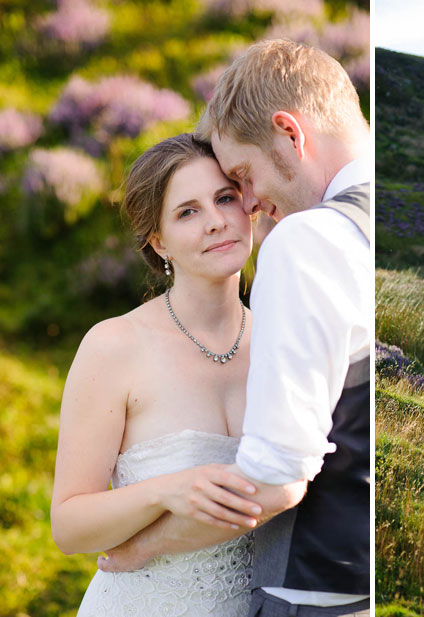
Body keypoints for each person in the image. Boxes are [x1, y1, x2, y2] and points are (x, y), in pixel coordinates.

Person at [98, 39, 371, 617]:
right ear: (158, 241)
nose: (246, 206)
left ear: (291, 134)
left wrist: (140, 549)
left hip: (310, 590)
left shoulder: (307, 240)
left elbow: (278, 475)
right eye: (190, 209)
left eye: (237, 182)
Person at [51, 133, 280, 616]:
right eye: (187, 212)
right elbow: (68, 526)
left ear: (251, 207)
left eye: (225, 198)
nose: (216, 222)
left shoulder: (282, 341)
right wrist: (166, 490)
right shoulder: (114, 346)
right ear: (159, 241)